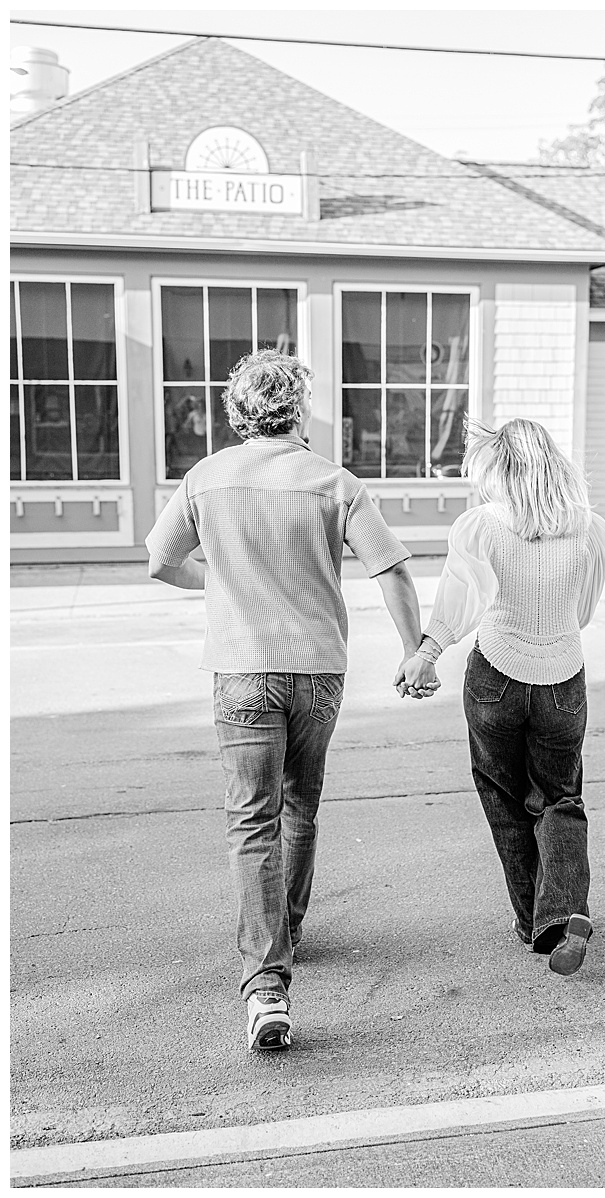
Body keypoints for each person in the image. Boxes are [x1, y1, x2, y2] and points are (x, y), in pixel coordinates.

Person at [145, 349, 421, 1051]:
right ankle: (286, 930)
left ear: (238, 413)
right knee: (300, 804)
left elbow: (160, 560)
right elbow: (391, 570)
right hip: (318, 673)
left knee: (251, 820)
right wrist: (415, 648)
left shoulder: (206, 479)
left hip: (241, 670)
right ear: (298, 409)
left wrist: (216, 584)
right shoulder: (334, 481)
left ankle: (266, 985)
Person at [398, 419, 605, 976]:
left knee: (503, 797)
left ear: (498, 470)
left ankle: (532, 923)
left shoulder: (480, 527)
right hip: (563, 675)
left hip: (496, 672)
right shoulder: (592, 529)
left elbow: (457, 601)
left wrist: (427, 652)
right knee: (560, 798)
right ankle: (566, 912)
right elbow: (583, 610)